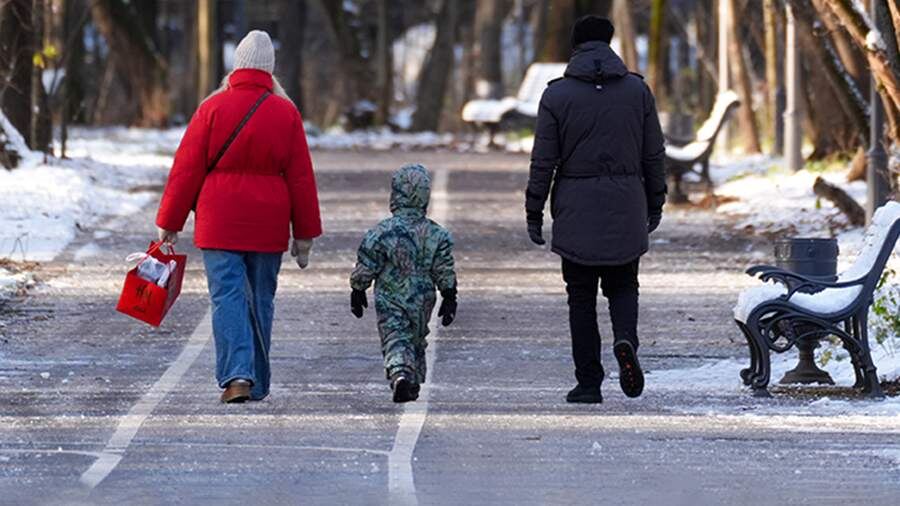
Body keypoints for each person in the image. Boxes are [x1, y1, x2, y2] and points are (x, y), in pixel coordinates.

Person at [156, 30, 322, 403]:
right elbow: (300, 178)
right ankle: (256, 380)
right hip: (268, 223)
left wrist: (170, 222)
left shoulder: (211, 108)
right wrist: (305, 234)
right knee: (261, 298)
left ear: (237, 66)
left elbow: (186, 169)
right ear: (270, 70)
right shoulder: (286, 113)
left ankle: (237, 376)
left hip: (219, 222)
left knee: (227, 296)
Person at [525, 16, 666, 404]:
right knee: (624, 286)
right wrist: (655, 201)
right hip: (626, 206)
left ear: (575, 46)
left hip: (575, 211)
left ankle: (588, 383)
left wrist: (534, 210)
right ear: (609, 43)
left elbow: (543, 161)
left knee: (581, 297)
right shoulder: (637, 92)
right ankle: (626, 340)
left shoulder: (557, 96)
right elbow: (653, 154)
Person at [349, 164, 458, 403]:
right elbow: (443, 268)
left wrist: (358, 288)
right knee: (416, 337)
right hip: (422, 297)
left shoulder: (382, 232)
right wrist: (449, 294)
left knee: (395, 336)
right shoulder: (436, 234)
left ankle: (400, 376)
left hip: (390, 295)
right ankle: (413, 379)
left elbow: (368, 261)